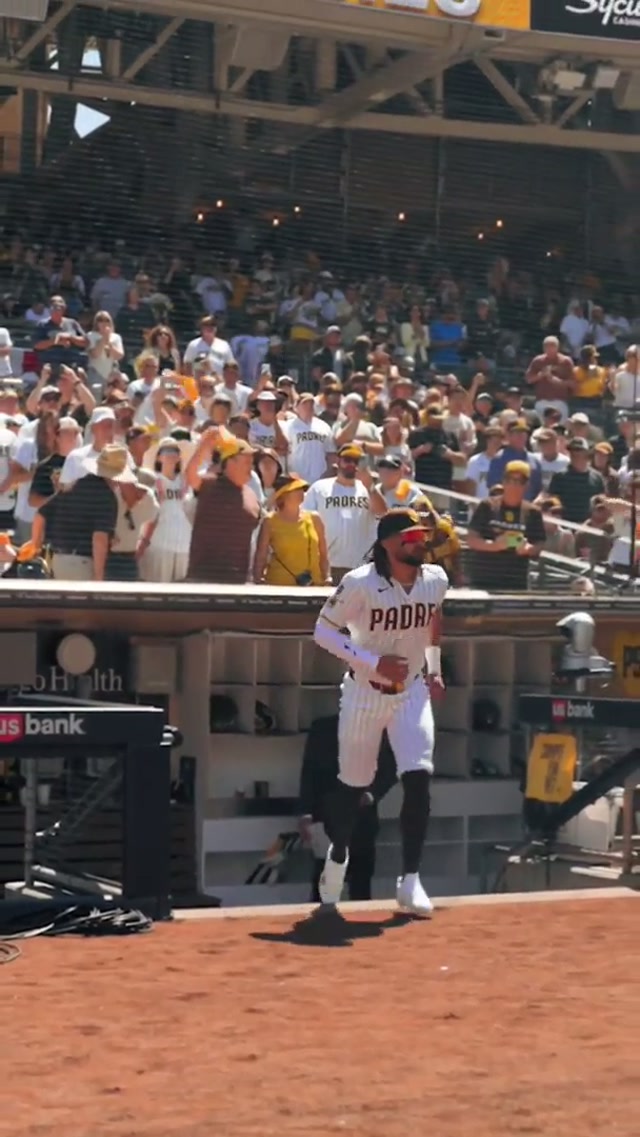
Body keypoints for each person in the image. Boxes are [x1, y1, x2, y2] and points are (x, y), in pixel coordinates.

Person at [312, 508, 449, 916]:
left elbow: (433, 620)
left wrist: (435, 670)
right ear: (389, 543)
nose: (420, 541)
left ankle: (410, 880)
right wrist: (372, 661)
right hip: (365, 693)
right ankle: (337, 854)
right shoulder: (360, 583)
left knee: (419, 776)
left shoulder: (435, 579)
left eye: (422, 536)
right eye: (411, 537)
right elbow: (322, 631)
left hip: (411, 692)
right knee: (353, 788)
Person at [299, 716, 397, 903]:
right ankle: (320, 925)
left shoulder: (379, 728)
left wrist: (369, 795)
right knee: (323, 878)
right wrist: (306, 813)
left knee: (360, 880)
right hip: (325, 813)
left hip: (361, 815)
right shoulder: (322, 727)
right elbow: (309, 772)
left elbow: (390, 767)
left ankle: (359, 924)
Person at [466, 460, 546, 591]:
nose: (513, 485)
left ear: (526, 485)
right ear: (503, 482)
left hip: (516, 581)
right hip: (484, 580)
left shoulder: (533, 512)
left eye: (518, 481)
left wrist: (527, 548)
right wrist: (494, 545)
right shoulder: (487, 506)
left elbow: (539, 543)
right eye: (509, 480)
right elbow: (471, 539)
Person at [252, 474, 330, 586]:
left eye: (301, 489)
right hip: (279, 586)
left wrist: (327, 576)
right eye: (295, 489)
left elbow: (323, 554)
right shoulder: (270, 521)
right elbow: (261, 555)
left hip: (313, 587)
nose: (301, 492)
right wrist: (257, 580)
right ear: (283, 495)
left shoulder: (314, 518)